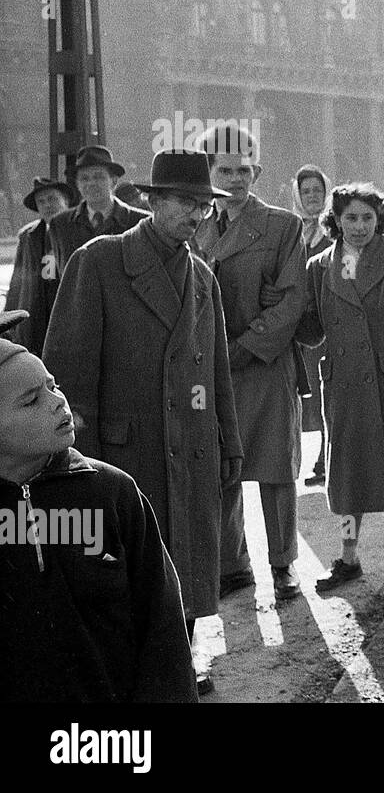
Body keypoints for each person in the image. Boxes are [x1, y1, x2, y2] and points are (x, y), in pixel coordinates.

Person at [42, 148, 243, 696]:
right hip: (127, 450)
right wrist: (68, 457)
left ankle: (181, 652)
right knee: (126, 565)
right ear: (154, 202)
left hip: (195, 443)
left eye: (204, 205)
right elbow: (68, 374)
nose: (197, 215)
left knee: (191, 557)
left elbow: (216, 367)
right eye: (185, 203)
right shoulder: (100, 261)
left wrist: (229, 441)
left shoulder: (203, 278)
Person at [0, 321, 197, 702]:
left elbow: (163, 633)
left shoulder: (111, 492)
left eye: (52, 386)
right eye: (31, 400)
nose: (58, 401)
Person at [296, 184, 384, 591]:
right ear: (335, 221)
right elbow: (311, 330)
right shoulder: (319, 267)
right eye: (350, 218)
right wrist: (285, 304)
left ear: (380, 221)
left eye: (367, 218)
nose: (359, 227)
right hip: (346, 392)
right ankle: (348, 557)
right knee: (347, 477)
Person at [193, 124, 307, 603]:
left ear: (257, 171)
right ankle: (232, 562)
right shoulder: (194, 225)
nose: (236, 179)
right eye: (225, 170)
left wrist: (238, 348)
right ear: (210, 173)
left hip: (263, 364)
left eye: (243, 170)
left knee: (275, 467)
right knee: (222, 466)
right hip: (210, 371)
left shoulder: (283, 226)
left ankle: (282, 565)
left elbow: (290, 302)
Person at [48, 145, 149, 277]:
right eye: (84, 178)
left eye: (98, 177)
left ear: (114, 181)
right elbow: (63, 279)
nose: (91, 184)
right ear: (77, 184)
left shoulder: (141, 222)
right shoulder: (60, 224)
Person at [3, 177, 75, 356]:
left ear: (65, 201)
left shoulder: (77, 229)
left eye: (52, 199)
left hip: (67, 312)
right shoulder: (28, 235)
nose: (47, 205)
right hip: (36, 315)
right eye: (41, 202)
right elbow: (17, 282)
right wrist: (9, 321)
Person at [294, 164, 332, 487]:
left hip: (330, 325)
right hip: (302, 327)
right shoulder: (291, 230)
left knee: (329, 392)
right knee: (308, 397)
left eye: (317, 192)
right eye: (306, 192)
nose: (312, 197)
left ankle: (327, 457)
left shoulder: (334, 230)